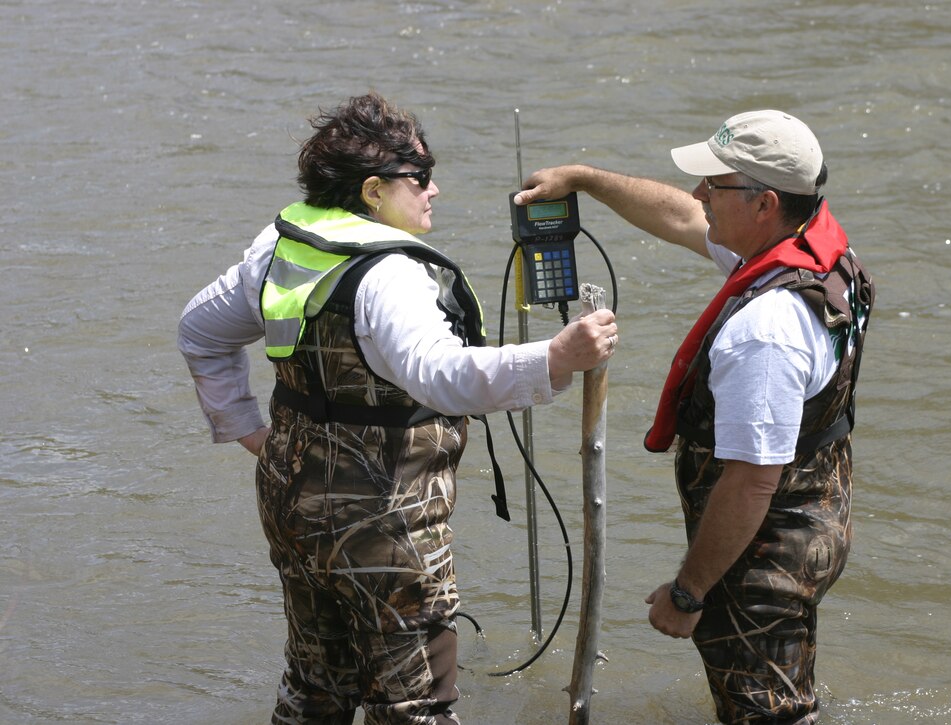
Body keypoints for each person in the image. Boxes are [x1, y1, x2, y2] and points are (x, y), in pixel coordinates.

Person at [177, 92, 618, 725]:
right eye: (422, 176)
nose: (434, 189)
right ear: (375, 191)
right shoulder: (391, 276)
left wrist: (248, 429)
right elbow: (441, 376)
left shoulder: (283, 247)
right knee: (416, 706)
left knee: (313, 687)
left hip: (290, 505)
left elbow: (199, 330)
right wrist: (556, 356)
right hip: (384, 525)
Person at [515, 110, 874, 723]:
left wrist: (689, 592)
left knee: (765, 714)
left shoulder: (766, 331)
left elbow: (752, 479)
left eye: (716, 184)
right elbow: (680, 217)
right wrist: (584, 180)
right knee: (787, 693)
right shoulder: (809, 254)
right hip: (819, 516)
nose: (699, 194)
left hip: (764, 555)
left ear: (764, 203)